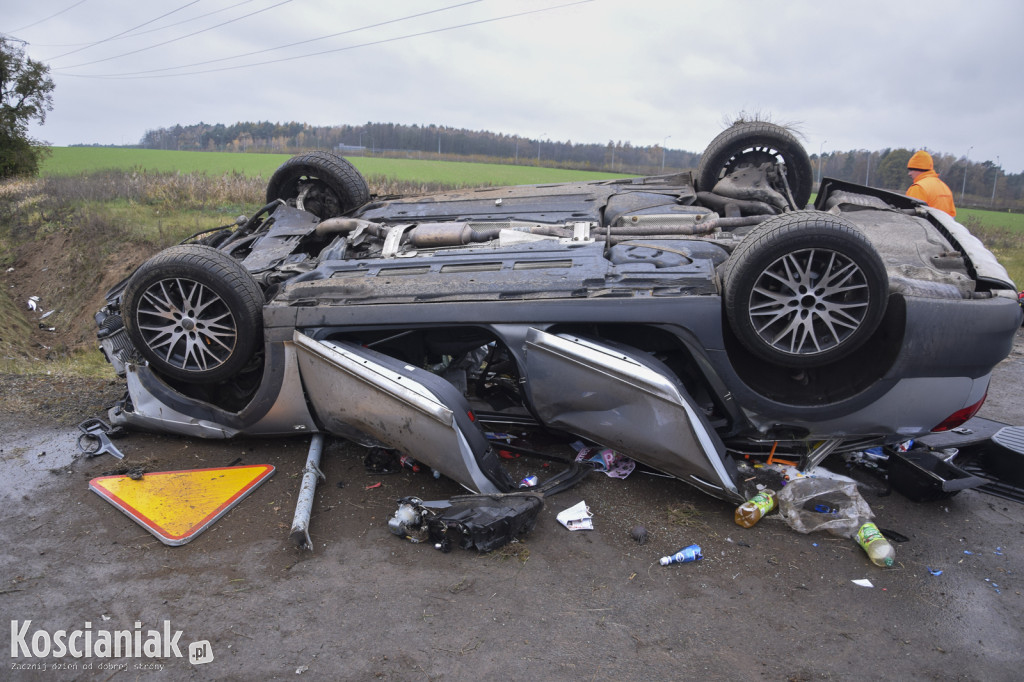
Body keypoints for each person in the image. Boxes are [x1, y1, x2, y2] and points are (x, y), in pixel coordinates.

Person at [906, 150, 956, 216]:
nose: (909, 174)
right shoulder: (944, 187)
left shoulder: (918, 188)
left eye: (911, 170)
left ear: (919, 169)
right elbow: (952, 216)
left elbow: (910, 218)